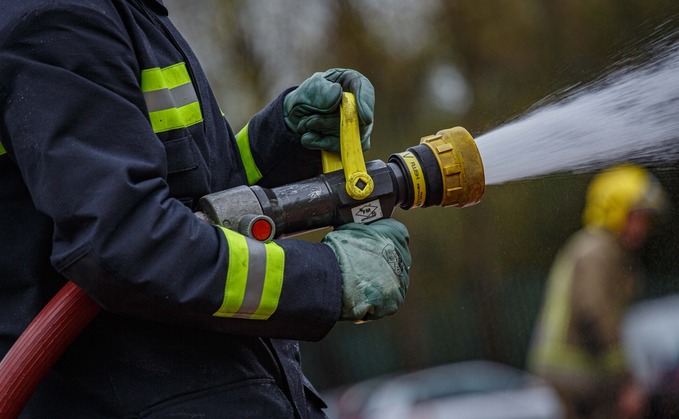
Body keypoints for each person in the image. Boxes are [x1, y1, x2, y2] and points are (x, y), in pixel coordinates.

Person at [0, 1, 411, 418]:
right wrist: (326, 277)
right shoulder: (59, 19)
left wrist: (281, 143)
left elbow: (192, 204)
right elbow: (126, 243)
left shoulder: (124, 16)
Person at [526, 163, 667, 419]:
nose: (643, 227)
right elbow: (595, 313)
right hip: (574, 379)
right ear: (615, 209)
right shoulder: (597, 252)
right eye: (638, 216)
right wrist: (625, 380)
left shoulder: (605, 251)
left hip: (574, 376)